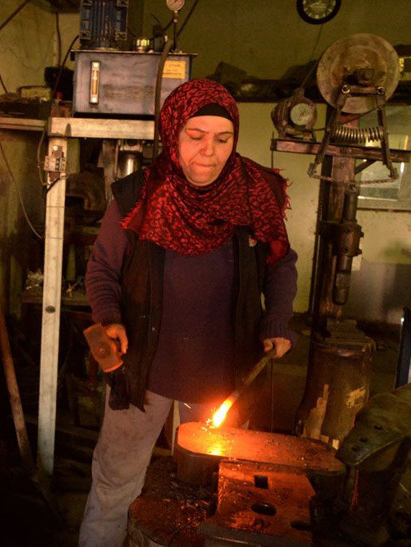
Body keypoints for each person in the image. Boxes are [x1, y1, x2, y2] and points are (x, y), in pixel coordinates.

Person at [78, 78, 298, 546]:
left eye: (223, 139)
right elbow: (101, 270)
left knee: (212, 494)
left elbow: (282, 263)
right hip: (143, 369)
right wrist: (109, 317)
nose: (209, 153)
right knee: (116, 483)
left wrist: (277, 317)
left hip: (222, 373)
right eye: (195, 137)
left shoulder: (257, 192)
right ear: (172, 135)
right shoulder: (138, 195)